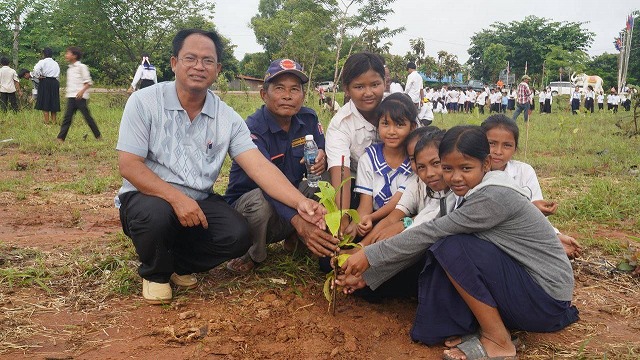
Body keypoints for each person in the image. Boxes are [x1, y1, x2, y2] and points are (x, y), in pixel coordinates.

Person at [115, 29, 325, 304]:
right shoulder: (143, 102)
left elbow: (260, 167)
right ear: (174, 63)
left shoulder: (227, 117)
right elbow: (129, 166)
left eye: (208, 60)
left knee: (237, 235)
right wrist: (176, 198)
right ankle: (156, 273)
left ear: (218, 69)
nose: (199, 66)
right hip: (148, 195)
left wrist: (301, 203)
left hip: (199, 200)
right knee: (156, 214)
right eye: (190, 58)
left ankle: (176, 262)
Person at [337, 125, 579, 359]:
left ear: (485, 163)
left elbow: (431, 232)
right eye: (448, 169)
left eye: (465, 168)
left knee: (452, 247)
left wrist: (369, 255)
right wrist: (368, 276)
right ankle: (469, 326)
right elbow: (427, 236)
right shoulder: (472, 190)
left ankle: (499, 341)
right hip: (532, 290)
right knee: (447, 247)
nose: (455, 178)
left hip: (547, 301)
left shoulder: (492, 196)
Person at [223, 58, 334, 273]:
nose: (287, 96)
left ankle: (298, 238)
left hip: (291, 200)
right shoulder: (252, 129)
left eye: (295, 89)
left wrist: (322, 157)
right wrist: (299, 222)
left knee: (324, 180)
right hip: (252, 208)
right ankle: (253, 253)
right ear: (264, 94)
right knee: (260, 201)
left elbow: (322, 150)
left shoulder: (308, 118)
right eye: (279, 88)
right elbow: (268, 185)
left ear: (303, 95)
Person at [481, 114, 581, 258]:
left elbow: (538, 220)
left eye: (507, 145)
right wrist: (529, 210)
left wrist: (554, 236)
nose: (498, 151)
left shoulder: (524, 171)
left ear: (515, 149)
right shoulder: (472, 174)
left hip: (522, 235)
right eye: (492, 143)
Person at [360, 126, 451, 245]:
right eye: (414, 160)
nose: (429, 173)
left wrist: (404, 223)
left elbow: (429, 219)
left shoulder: (455, 191)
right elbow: (393, 217)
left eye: (435, 163)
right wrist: (360, 246)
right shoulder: (417, 182)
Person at [349, 93, 417, 238]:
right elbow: (365, 206)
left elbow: (396, 203)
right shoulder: (368, 158)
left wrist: (371, 219)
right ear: (377, 124)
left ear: (412, 127)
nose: (391, 131)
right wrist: (356, 226)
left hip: (405, 220)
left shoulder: (416, 162)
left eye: (400, 124)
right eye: (386, 124)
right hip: (374, 218)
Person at [325, 52, 385, 216]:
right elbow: (341, 173)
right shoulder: (340, 125)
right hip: (359, 188)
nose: (368, 93)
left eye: (375, 85)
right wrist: (343, 217)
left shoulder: (400, 108)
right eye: (359, 87)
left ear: (384, 83)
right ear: (346, 89)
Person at [57, 46, 101, 142]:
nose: (66, 55)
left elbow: (88, 82)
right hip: (71, 97)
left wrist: (82, 91)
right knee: (67, 118)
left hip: (80, 97)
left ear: (75, 56)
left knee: (87, 117)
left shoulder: (82, 67)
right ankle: (60, 138)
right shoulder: (70, 69)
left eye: (68, 53)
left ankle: (98, 136)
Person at [32, 47, 61, 124]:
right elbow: (58, 73)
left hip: (45, 81)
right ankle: (54, 121)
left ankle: (47, 122)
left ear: (43, 54)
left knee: (45, 101)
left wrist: (38, 76)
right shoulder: (55, 63)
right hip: (54, 82)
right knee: (53, 101)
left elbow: (35, 69)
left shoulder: (42, 62)